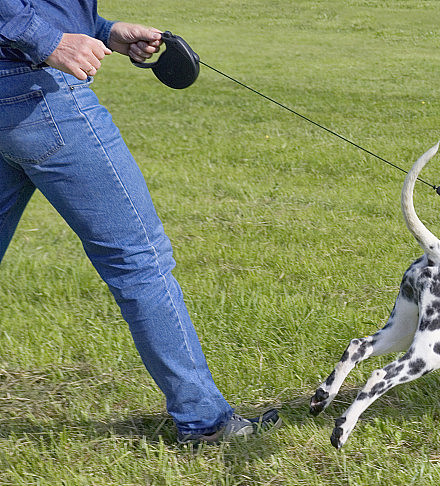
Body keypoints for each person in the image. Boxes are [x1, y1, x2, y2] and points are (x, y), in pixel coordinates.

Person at [0, 0, 279, 444]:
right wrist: (49, 41)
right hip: (40, 94)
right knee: (139, 261)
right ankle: (206, 422)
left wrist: (104, 30)